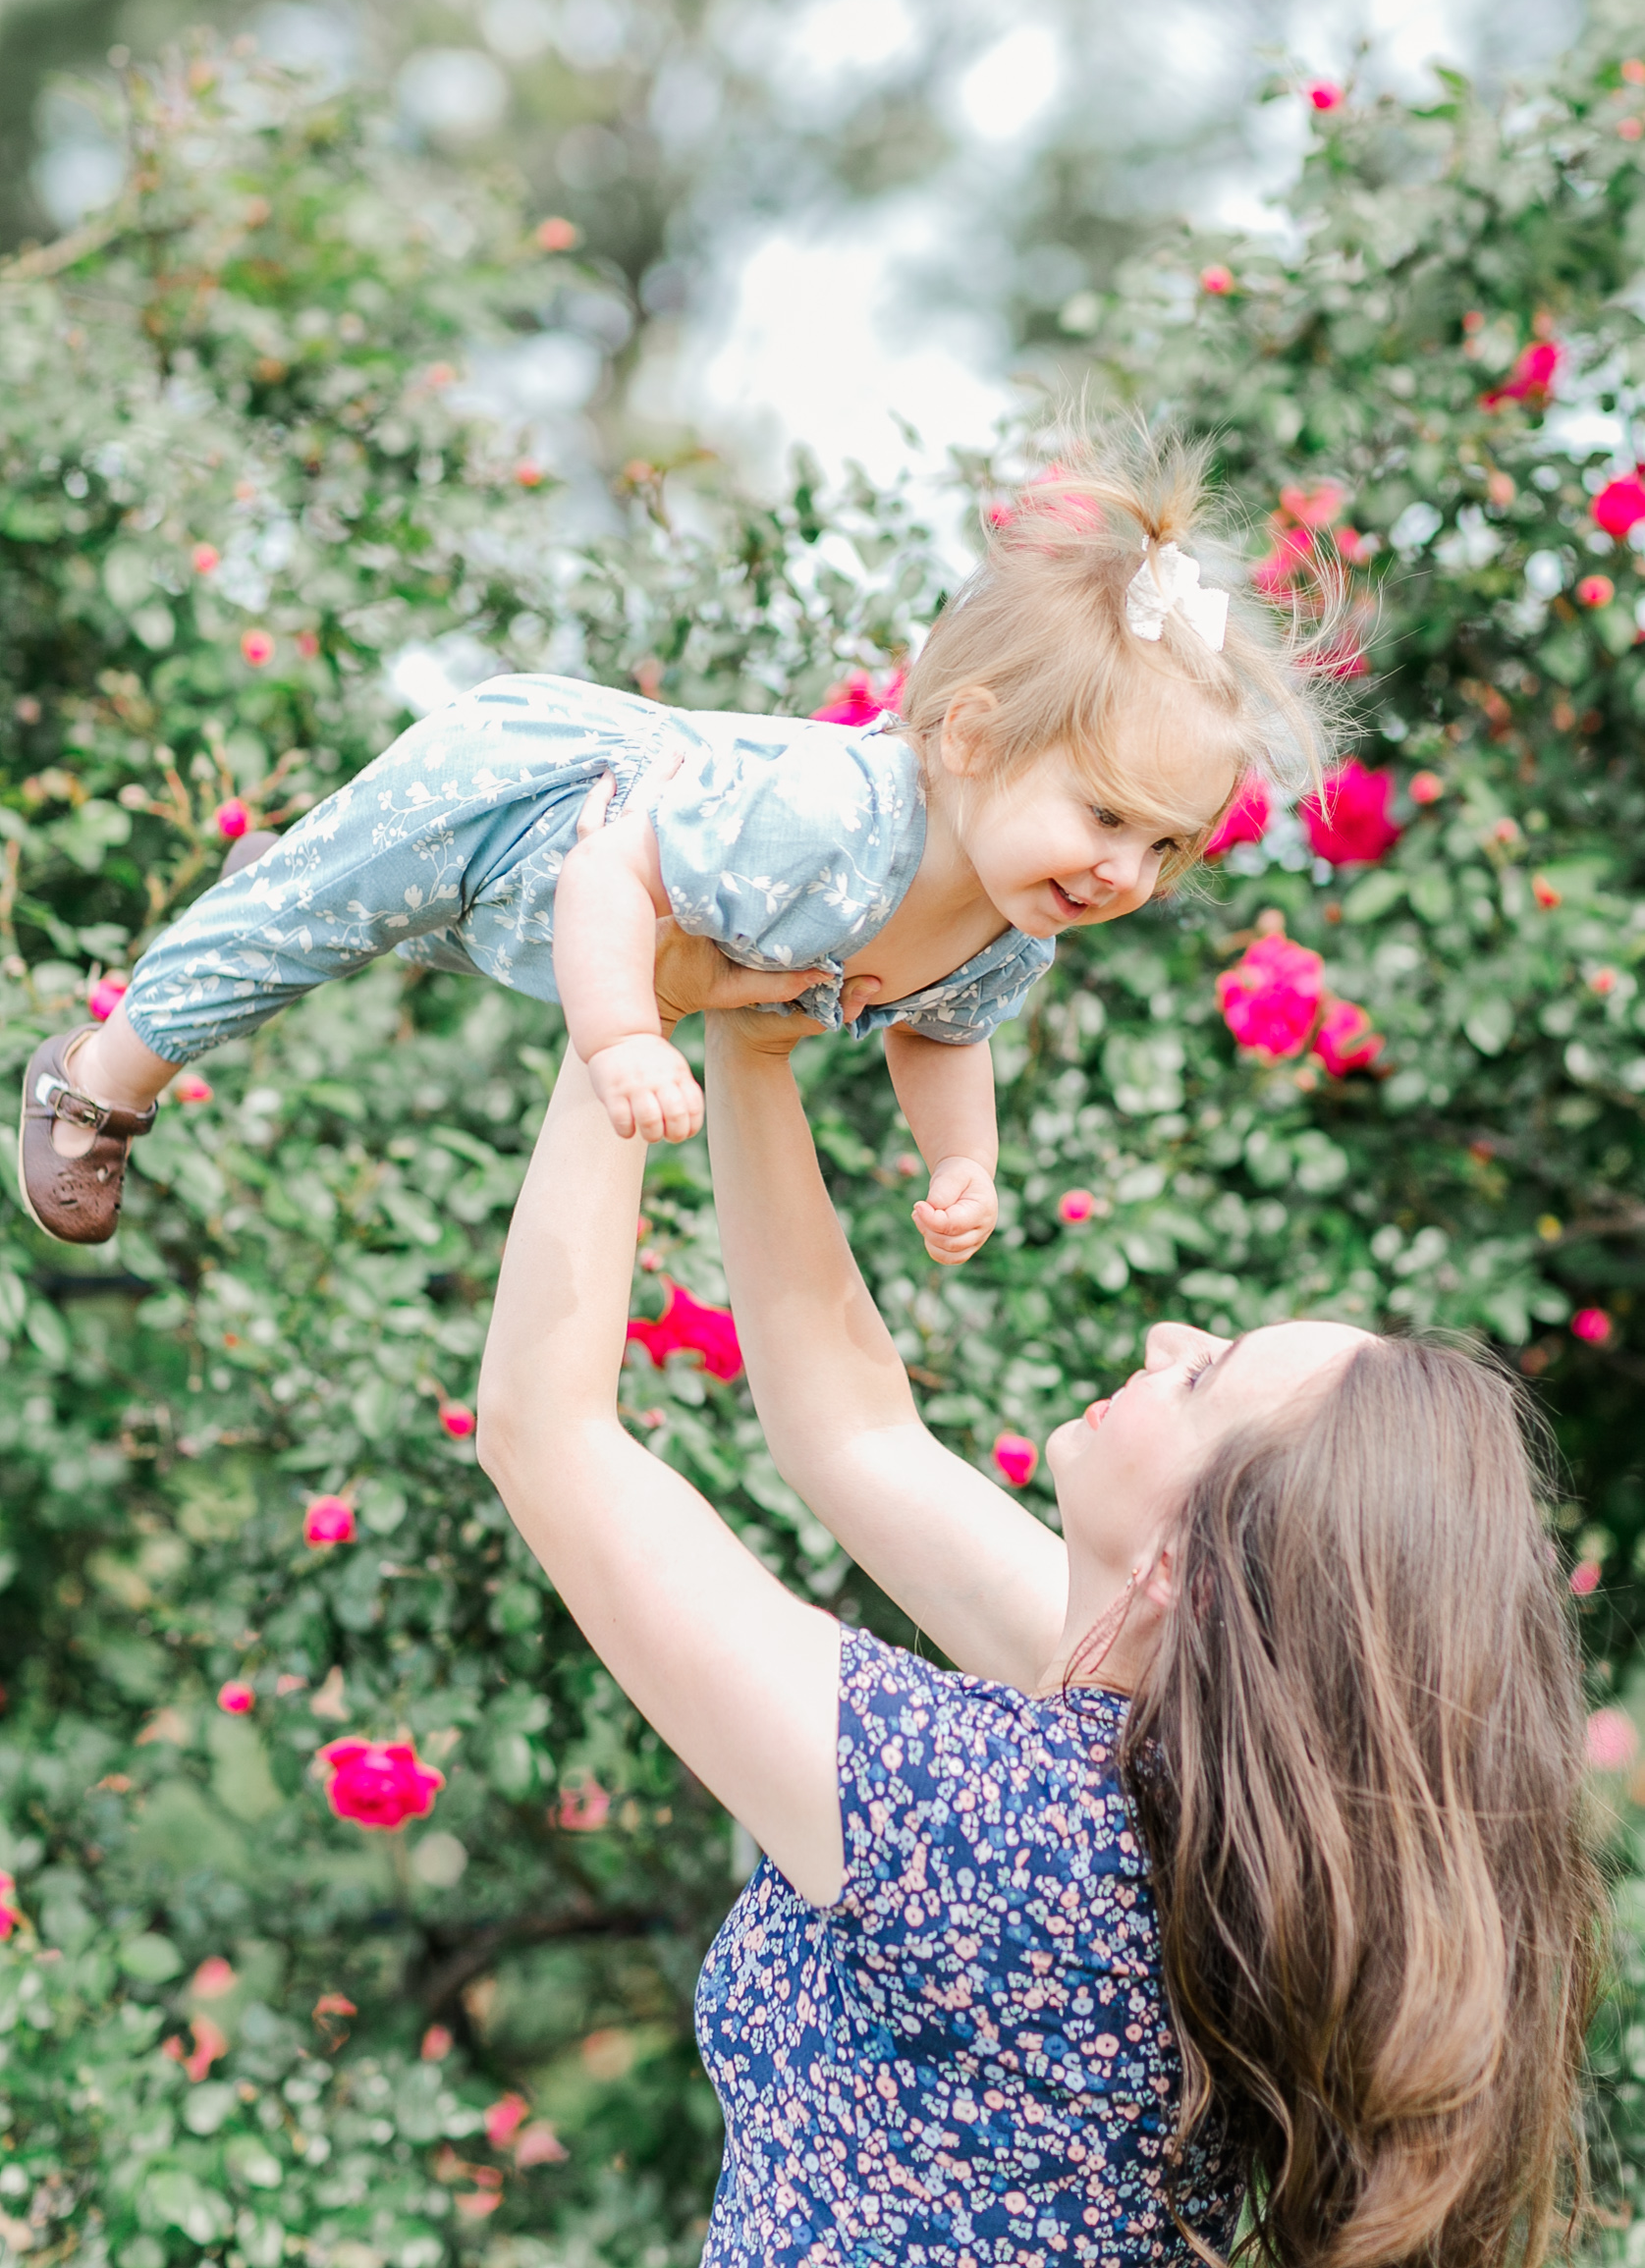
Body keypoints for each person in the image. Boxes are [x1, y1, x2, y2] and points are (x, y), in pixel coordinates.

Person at [475, 933, 1602, 2268]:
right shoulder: (1197, 1785)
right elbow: (852, 1435)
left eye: (1204, 1375)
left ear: (1188, 1563)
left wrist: (632, 1003)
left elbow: (546, 1435)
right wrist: (752, 1040)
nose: (1162, 1341)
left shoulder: (1003, 1826)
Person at [20, 434, 1323, 1263]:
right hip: (522, 796)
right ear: (972, 735)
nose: (1125, 875)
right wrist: (625, 1039)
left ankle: (333, 873)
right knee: (300, 930)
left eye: (1164, 848)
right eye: (1105, 815)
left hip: (547, 923)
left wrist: (962, 1160)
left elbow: (947, 1035)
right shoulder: (834, 812)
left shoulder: (1010, 922)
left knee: (389, 915)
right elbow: (605, 871)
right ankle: (98, 1070)